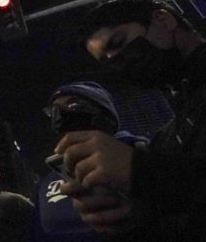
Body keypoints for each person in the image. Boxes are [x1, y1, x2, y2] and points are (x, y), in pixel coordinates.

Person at [57, 0, 206, 241]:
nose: (118, 61)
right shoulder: (167, 137)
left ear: (163, 18)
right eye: (107, 60)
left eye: (118, 42)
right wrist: (130, 217)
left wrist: (141, 170)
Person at [32, 81, 146, 242]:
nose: (60, 114)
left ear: (103, 113)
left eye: (73, 104)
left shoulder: (142, 156)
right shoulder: (47, 182)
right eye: (53, 110)